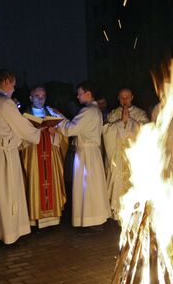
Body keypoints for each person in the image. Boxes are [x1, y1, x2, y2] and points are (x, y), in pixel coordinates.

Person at [0, 70, 41, 244]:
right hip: (5, 154)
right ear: (6, 81)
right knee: (8, 192)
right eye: (13, 85)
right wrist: (38, 131)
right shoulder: (4, 102)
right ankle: (10, 233)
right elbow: (22, 127)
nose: (13, 89)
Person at [58, 81, 110, 228]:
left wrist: (59, 120)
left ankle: (89, 219)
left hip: (86, 153)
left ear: (88, 94)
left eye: (80, 93)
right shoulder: (95, 111)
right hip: (92, 152)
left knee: (87, 186)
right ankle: (95, 218)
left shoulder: (87, 111)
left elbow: (69, 130)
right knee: (93, 186)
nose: (77, 95)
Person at [21, 86, 67, 229]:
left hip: (51, 156)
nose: (40, 99)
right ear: (31, 98)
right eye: (37, 96)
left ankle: (52, 219)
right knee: (34, 182)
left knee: (51, 183)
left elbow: (64, 138)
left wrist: (55, 133)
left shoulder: (52, 114)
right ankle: (35, 219)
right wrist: (33, 131)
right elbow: (20, 137)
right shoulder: (24, 116)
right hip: (33, 156)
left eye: (43, 96)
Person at [103, 88, 149, 220]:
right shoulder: (113, 114)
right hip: (117, 155)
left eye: (127, 97)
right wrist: (120, 123)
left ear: (132, 97)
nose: (125, 100)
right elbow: (106, 131)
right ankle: (118, 211)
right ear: (118, 98)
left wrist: (130, 123)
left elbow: (146, 130)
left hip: (134, 156)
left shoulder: (140, 114)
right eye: (122, 98)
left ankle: (135, 210)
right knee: (117, 180)